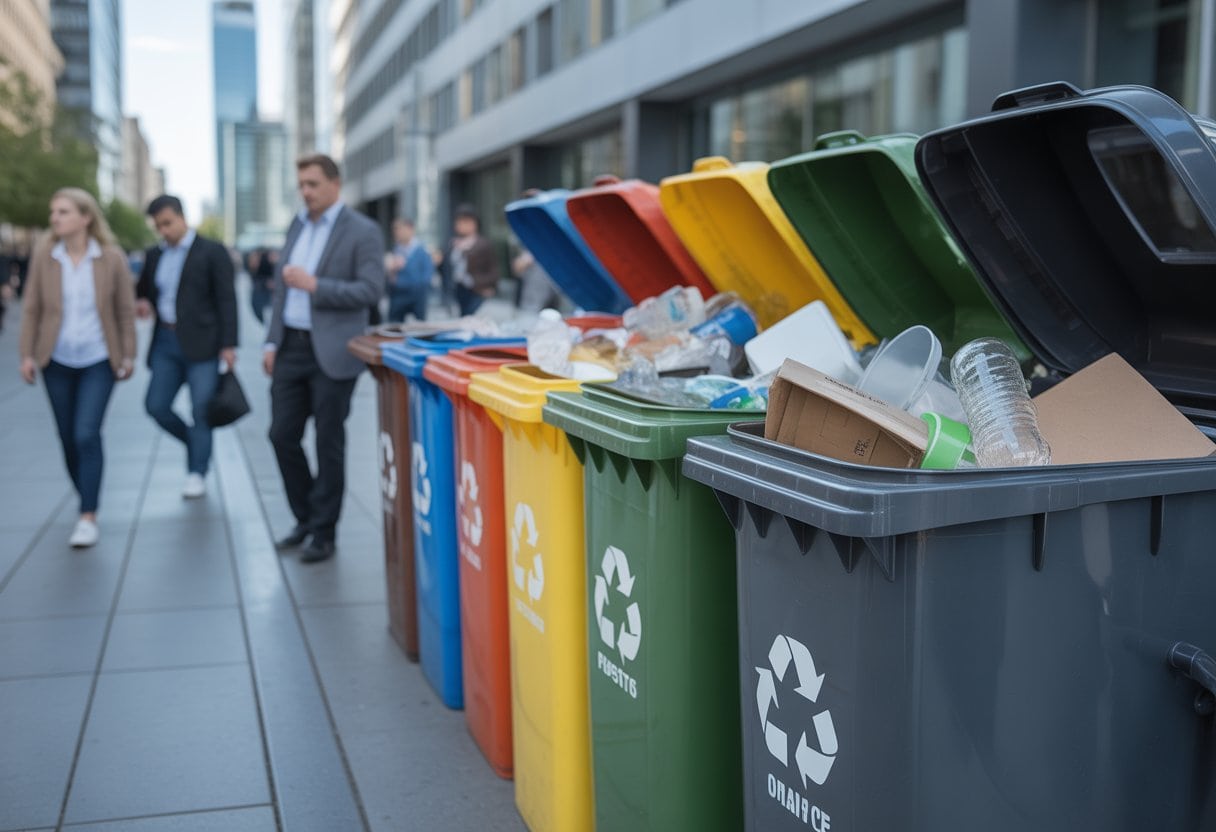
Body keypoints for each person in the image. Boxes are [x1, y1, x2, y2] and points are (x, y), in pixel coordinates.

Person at [263, 152, 384, 563]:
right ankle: (305, 518)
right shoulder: (297, 225)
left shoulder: (363, 231)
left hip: (334, 350)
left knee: (328, 440)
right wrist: (271, 342)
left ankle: (323, 531)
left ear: (335, 184)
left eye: (313, 184)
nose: (306, 192)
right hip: (291, 347)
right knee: (281, 434)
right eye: (301, 185)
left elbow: (370, 290)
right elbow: (281, 290)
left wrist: (316, 285)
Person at [18, 188, 136, 548]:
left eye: (63, 211)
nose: (54, 218)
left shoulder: (110, 258)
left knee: (87, 433)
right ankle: (86, 490)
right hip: (56, 360)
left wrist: (128, 354)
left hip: (99, 358)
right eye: (53, 212)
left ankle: (88, 514)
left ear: (85, 217)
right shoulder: (46, 257)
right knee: (68, 438)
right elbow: (32, 308)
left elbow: (124, 309)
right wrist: (27, 354)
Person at [135, 195, 238, 499]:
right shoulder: (154, 255)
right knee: (156, 405)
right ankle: (197, 443)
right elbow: (145, 290)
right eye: (158, 226)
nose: (163, 230)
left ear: (182, 217)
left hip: (203, 344)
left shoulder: (212, 251)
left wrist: (229, 344)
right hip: (166, 342)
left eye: (167, 223)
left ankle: (197, 471)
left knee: (201, 409)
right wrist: (143, 302)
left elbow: (226, 298)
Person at [439, 204, 499, 316]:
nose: (461, 225)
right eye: (458, 222)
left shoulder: (483, 244)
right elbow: (445, 270)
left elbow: (493, 273)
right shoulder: (452, 244)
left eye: (465, 222)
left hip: (476, 293)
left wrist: (482, 285)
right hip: (455, 294)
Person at [385, 217, 434, 322]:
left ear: (410, 229)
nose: (397, 232)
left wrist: (420, 288)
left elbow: (427, 274)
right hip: (398, 294)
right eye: (395, 229)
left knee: (419, 325)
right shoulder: (395, 249)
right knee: (394, 324)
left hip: (417, 294)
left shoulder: (422, 250)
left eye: (400, 229)